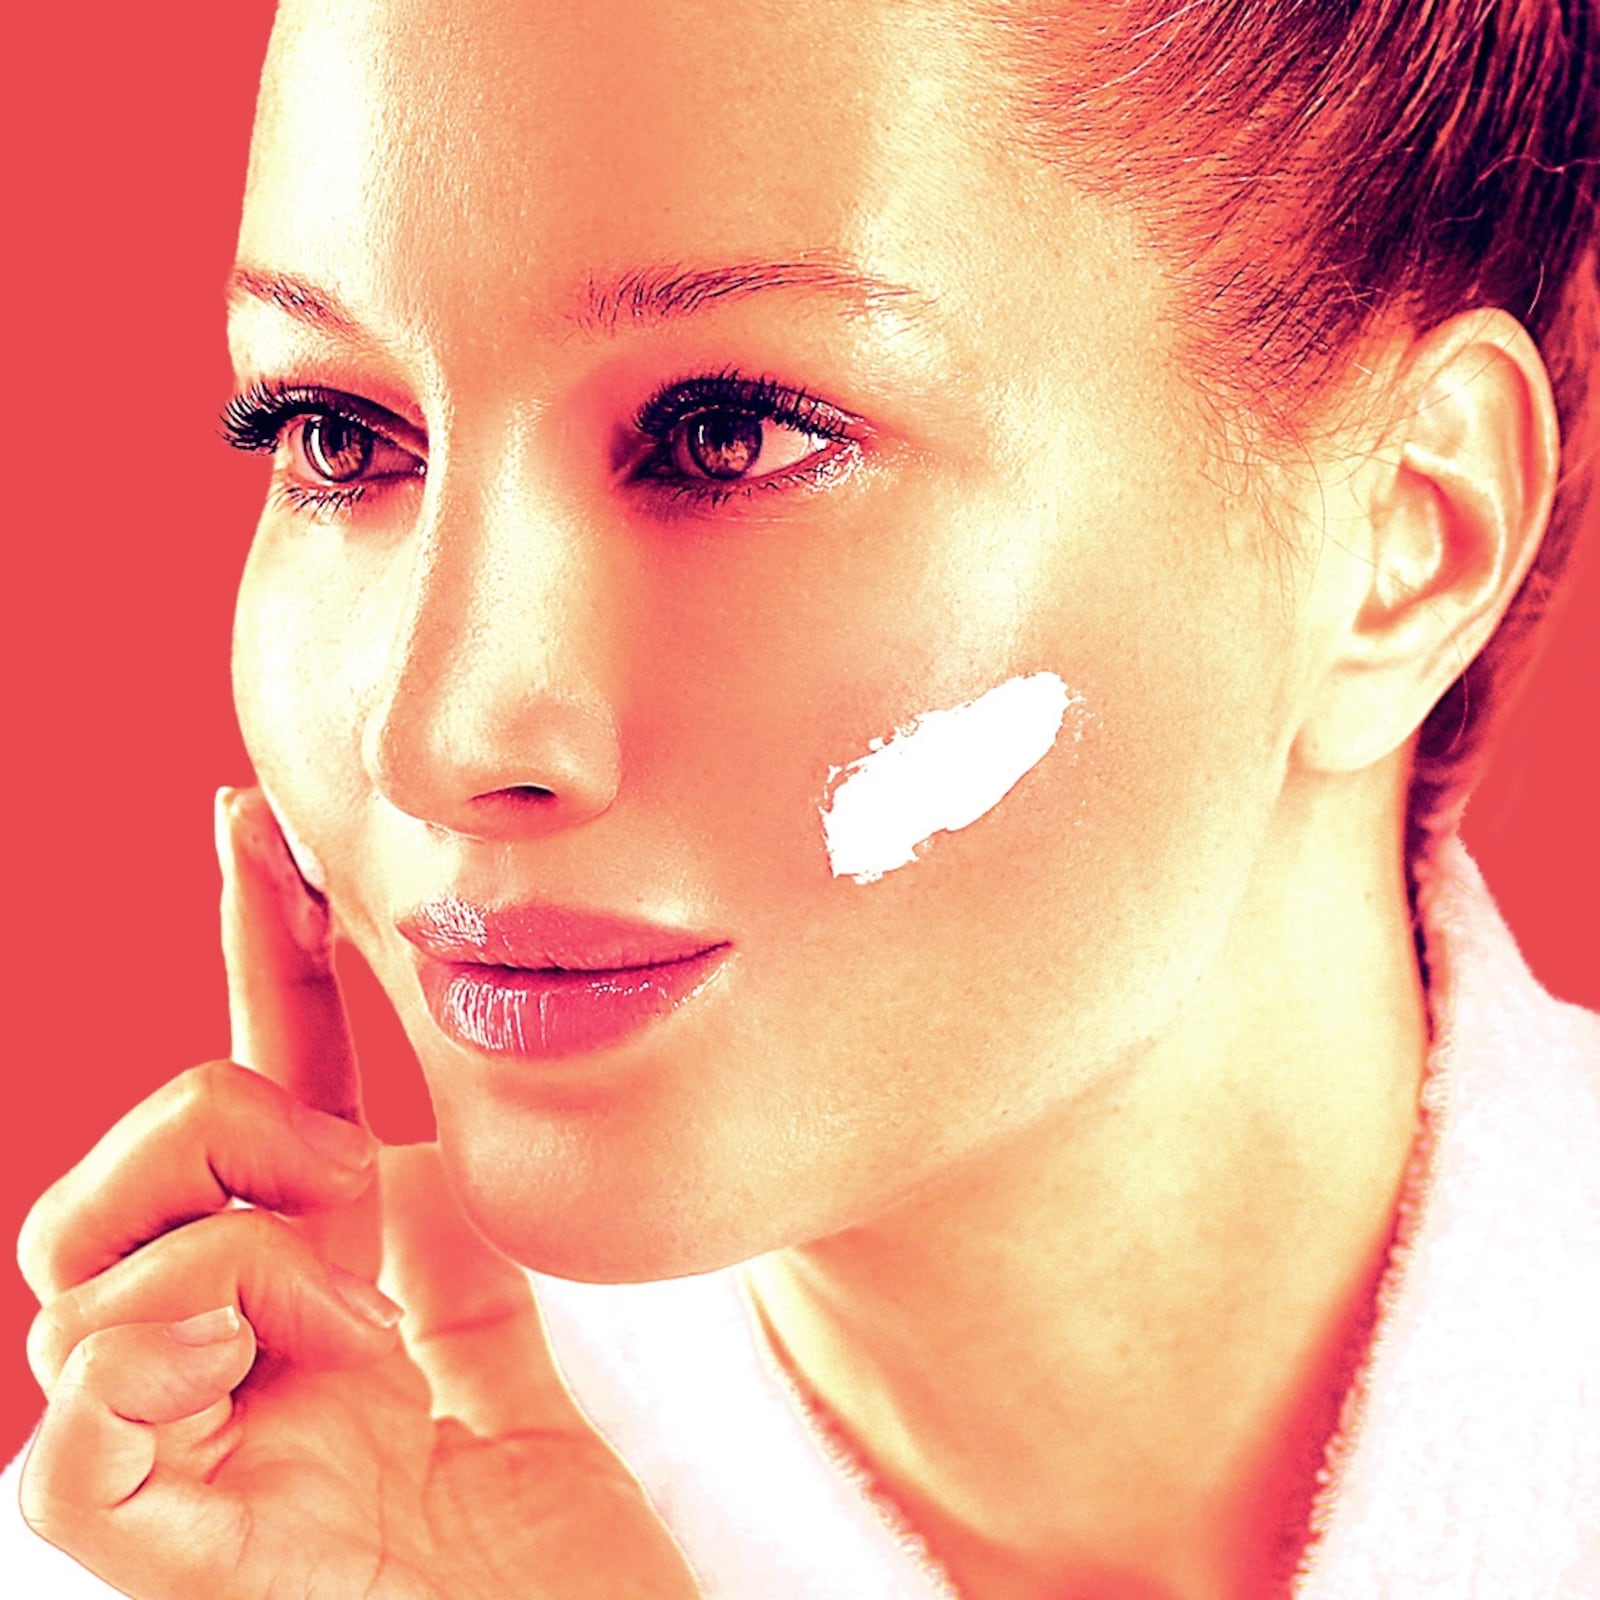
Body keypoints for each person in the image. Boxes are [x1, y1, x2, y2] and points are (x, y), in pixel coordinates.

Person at [5, 1, 1597, 1595]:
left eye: (727, 436)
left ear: (1410, 531)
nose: (433, 731)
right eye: (339, 438)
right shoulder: (199, 1540)